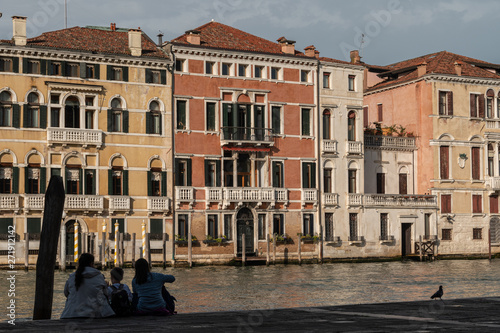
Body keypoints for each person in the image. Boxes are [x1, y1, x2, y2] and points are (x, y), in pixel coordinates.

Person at [60, 253, 115, 319]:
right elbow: (106, 294)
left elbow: (66, 293)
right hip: (94, 315)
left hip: (70, 314)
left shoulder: (72, 277)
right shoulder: (99, 276)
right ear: (91, 263)